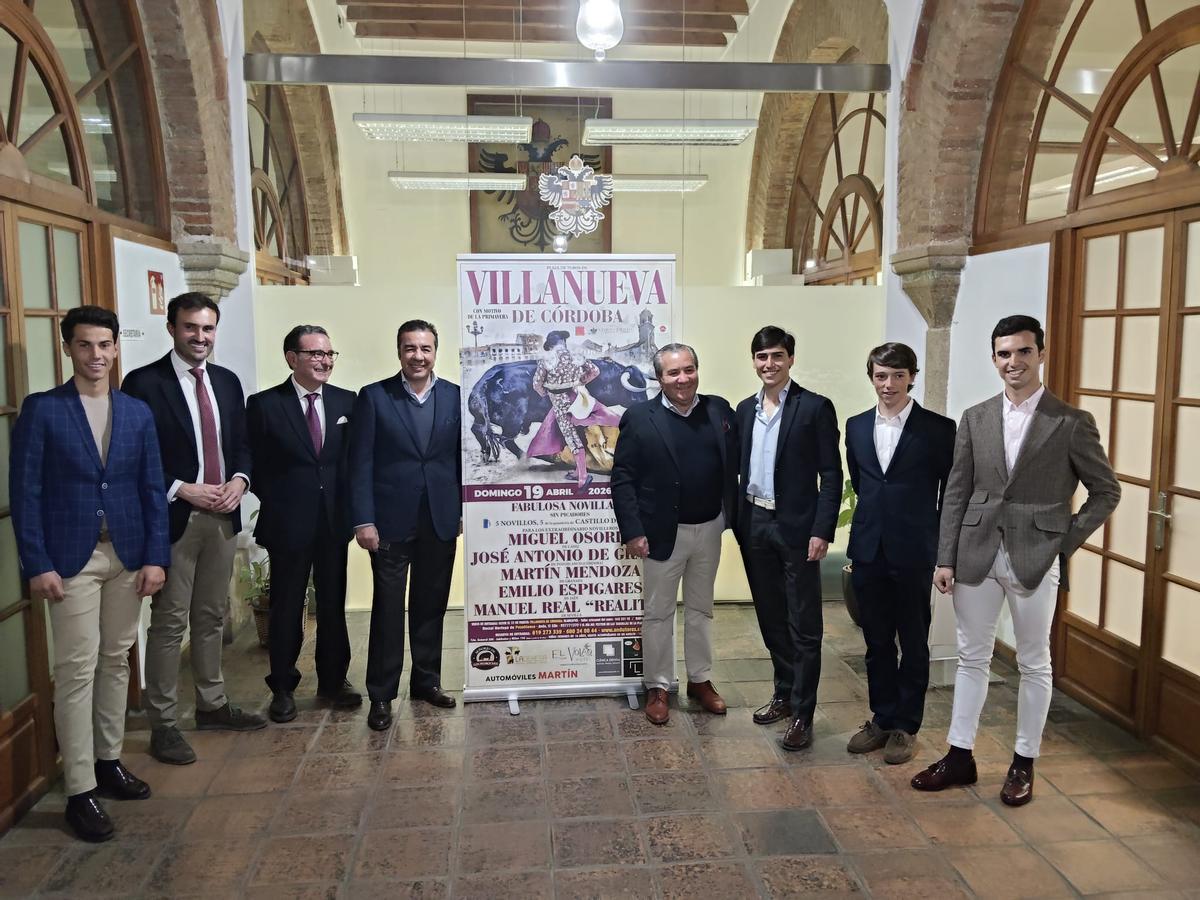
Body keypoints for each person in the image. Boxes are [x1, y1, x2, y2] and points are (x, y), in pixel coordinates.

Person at [911, 315, 1120, 806]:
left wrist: (1062, 541)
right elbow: (957, 491)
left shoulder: (1071, 422)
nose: (1014, 362)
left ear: (1041, 354)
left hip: (1036, 556)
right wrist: (945, 557)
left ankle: (1024, 762)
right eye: (1004, 354)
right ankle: (959, 756)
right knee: (971, 657)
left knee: (1034, 662)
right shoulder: (975, 417)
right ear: (994, 359)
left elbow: (1106, 491)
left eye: (1023, 351)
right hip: (975, 553)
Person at [10, 305, 169, 842]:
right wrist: (38, 563)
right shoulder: (44, 410)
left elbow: (152, 488)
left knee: (117, 661)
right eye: (84, 345)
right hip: (69, 561)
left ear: (116, 348)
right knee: (76, 670)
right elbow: (25, 494)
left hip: (127, 556)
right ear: (68, 349)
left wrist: (155, 556)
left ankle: (108, 760)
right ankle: (80, 789)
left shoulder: (136, 413)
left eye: (104, 345)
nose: (96, 355)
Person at [122, 292, 266, 766]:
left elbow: (242, 444)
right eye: (190, 327)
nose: (200, 337)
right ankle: (163, 722)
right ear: (172, 328)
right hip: (174, 517)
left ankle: (212, 704)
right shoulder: (144, 383)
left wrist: (240, 480)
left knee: (211, 616)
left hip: (222, 516)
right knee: (169, 621)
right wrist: (181, 488)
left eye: (207, 328)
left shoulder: (226, 381)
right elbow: (133, 456)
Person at [611, 343, 739, 725]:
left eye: (688, 369)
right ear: (659, 378)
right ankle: (658, 686)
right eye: (673, 373)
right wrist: (633, 531)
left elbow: (734, 464)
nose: (683, 379)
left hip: (710, 528)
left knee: (701, 609)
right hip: (660, 533)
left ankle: (700, 680)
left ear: (697, 370)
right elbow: (622, 479)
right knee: (658, 613)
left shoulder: (719, 410)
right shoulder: (639, 418)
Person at [844, 342, 956, 764]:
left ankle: (906, 725)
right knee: (876, 641)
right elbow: (862, 482)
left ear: (912, 377)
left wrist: (943, 552)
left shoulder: (939, 429)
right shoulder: (856, 426)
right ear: (871, 377)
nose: (888, 384)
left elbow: (950, 496)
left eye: (897, 375)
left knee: (913, 640)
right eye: (880, 376)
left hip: (914, 550)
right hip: (869, 549)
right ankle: (882, 717)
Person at [349, 320, 462, 732]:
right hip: (388, 524)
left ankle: (426, 682)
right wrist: (363, 519)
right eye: (410, 348)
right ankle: (381, 695)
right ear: (399, 352)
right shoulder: (375, 396)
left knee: (431, 606)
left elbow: (459, 459)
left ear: (436, 352)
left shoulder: (454, 396)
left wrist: (461, 510)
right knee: (387, 610)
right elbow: (360, 462)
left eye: (425, 348)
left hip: (439, 519)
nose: (418, 356)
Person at [734, 326, 842, 751]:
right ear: (754, 361)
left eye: (777, 356)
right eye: (762, 357)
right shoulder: (745, 410)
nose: (769, 364)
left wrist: (821, 530)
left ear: (791, 359)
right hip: (755, 522)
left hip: (797, 529)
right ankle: (783, 692)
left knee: (804, 624)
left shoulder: (814, 408)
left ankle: (803, 713)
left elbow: (831, 475)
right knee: (770, 616)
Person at [247, 325, 360, 723]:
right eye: (315, 354)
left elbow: (351, 462)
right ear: (291, 358)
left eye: (329, 354)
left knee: (332, 605)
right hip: (287, 523)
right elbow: (253, 464)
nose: (324, 361)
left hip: (333, 522)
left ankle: (333, 681)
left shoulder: (347, 401)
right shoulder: (265, 404)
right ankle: (282, 686)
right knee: (287, 606)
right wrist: (283, 500)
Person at [526, 330, 621, 487]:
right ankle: (579, 471)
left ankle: (582, 476)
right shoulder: (575, 355)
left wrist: (546, 393)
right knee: (583, 432)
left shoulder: (546, 360)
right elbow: (595, 371)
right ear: (563, 342)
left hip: (560, 403)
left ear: (550, 345)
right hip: (580, 399)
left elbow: (537, 384)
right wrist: (581, 381)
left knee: (572, 437)